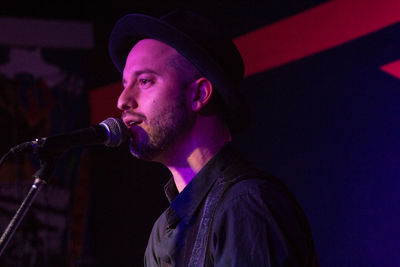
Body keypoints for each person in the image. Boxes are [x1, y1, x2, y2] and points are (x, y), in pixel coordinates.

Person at [108, 10, 319, 266]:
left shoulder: (244, 205)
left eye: (144, 81)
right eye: (124, 84)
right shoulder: (163, 231)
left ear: (199, 94)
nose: (122, 100)